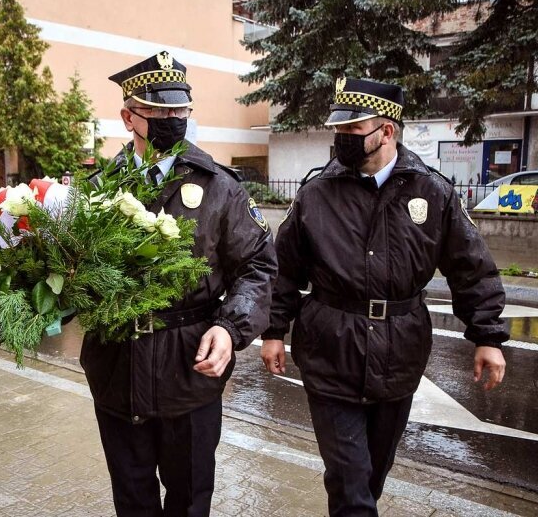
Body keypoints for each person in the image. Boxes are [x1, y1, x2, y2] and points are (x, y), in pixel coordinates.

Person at [260, 77, 508, 517]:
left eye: (353, 130)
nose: (342, 140)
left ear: (387, 131)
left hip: (400, 353)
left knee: (373, 475)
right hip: (330, 351)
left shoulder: (432, 192)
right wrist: (274, 331)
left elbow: (471, 267)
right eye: (339, 130)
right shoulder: (316, 194)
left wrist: (487, 336)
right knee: (350, 483)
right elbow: (285, 270)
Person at [80, 51, 277, 516]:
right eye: (158, 111)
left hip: (189, 372)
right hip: (117, 368)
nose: (172, 120)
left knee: (189, 501)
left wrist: (231, 329)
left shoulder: (220, 187)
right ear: (128, 116)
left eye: (179, 110)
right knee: (132, 501)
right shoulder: (97, 188)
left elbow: (258, 267)